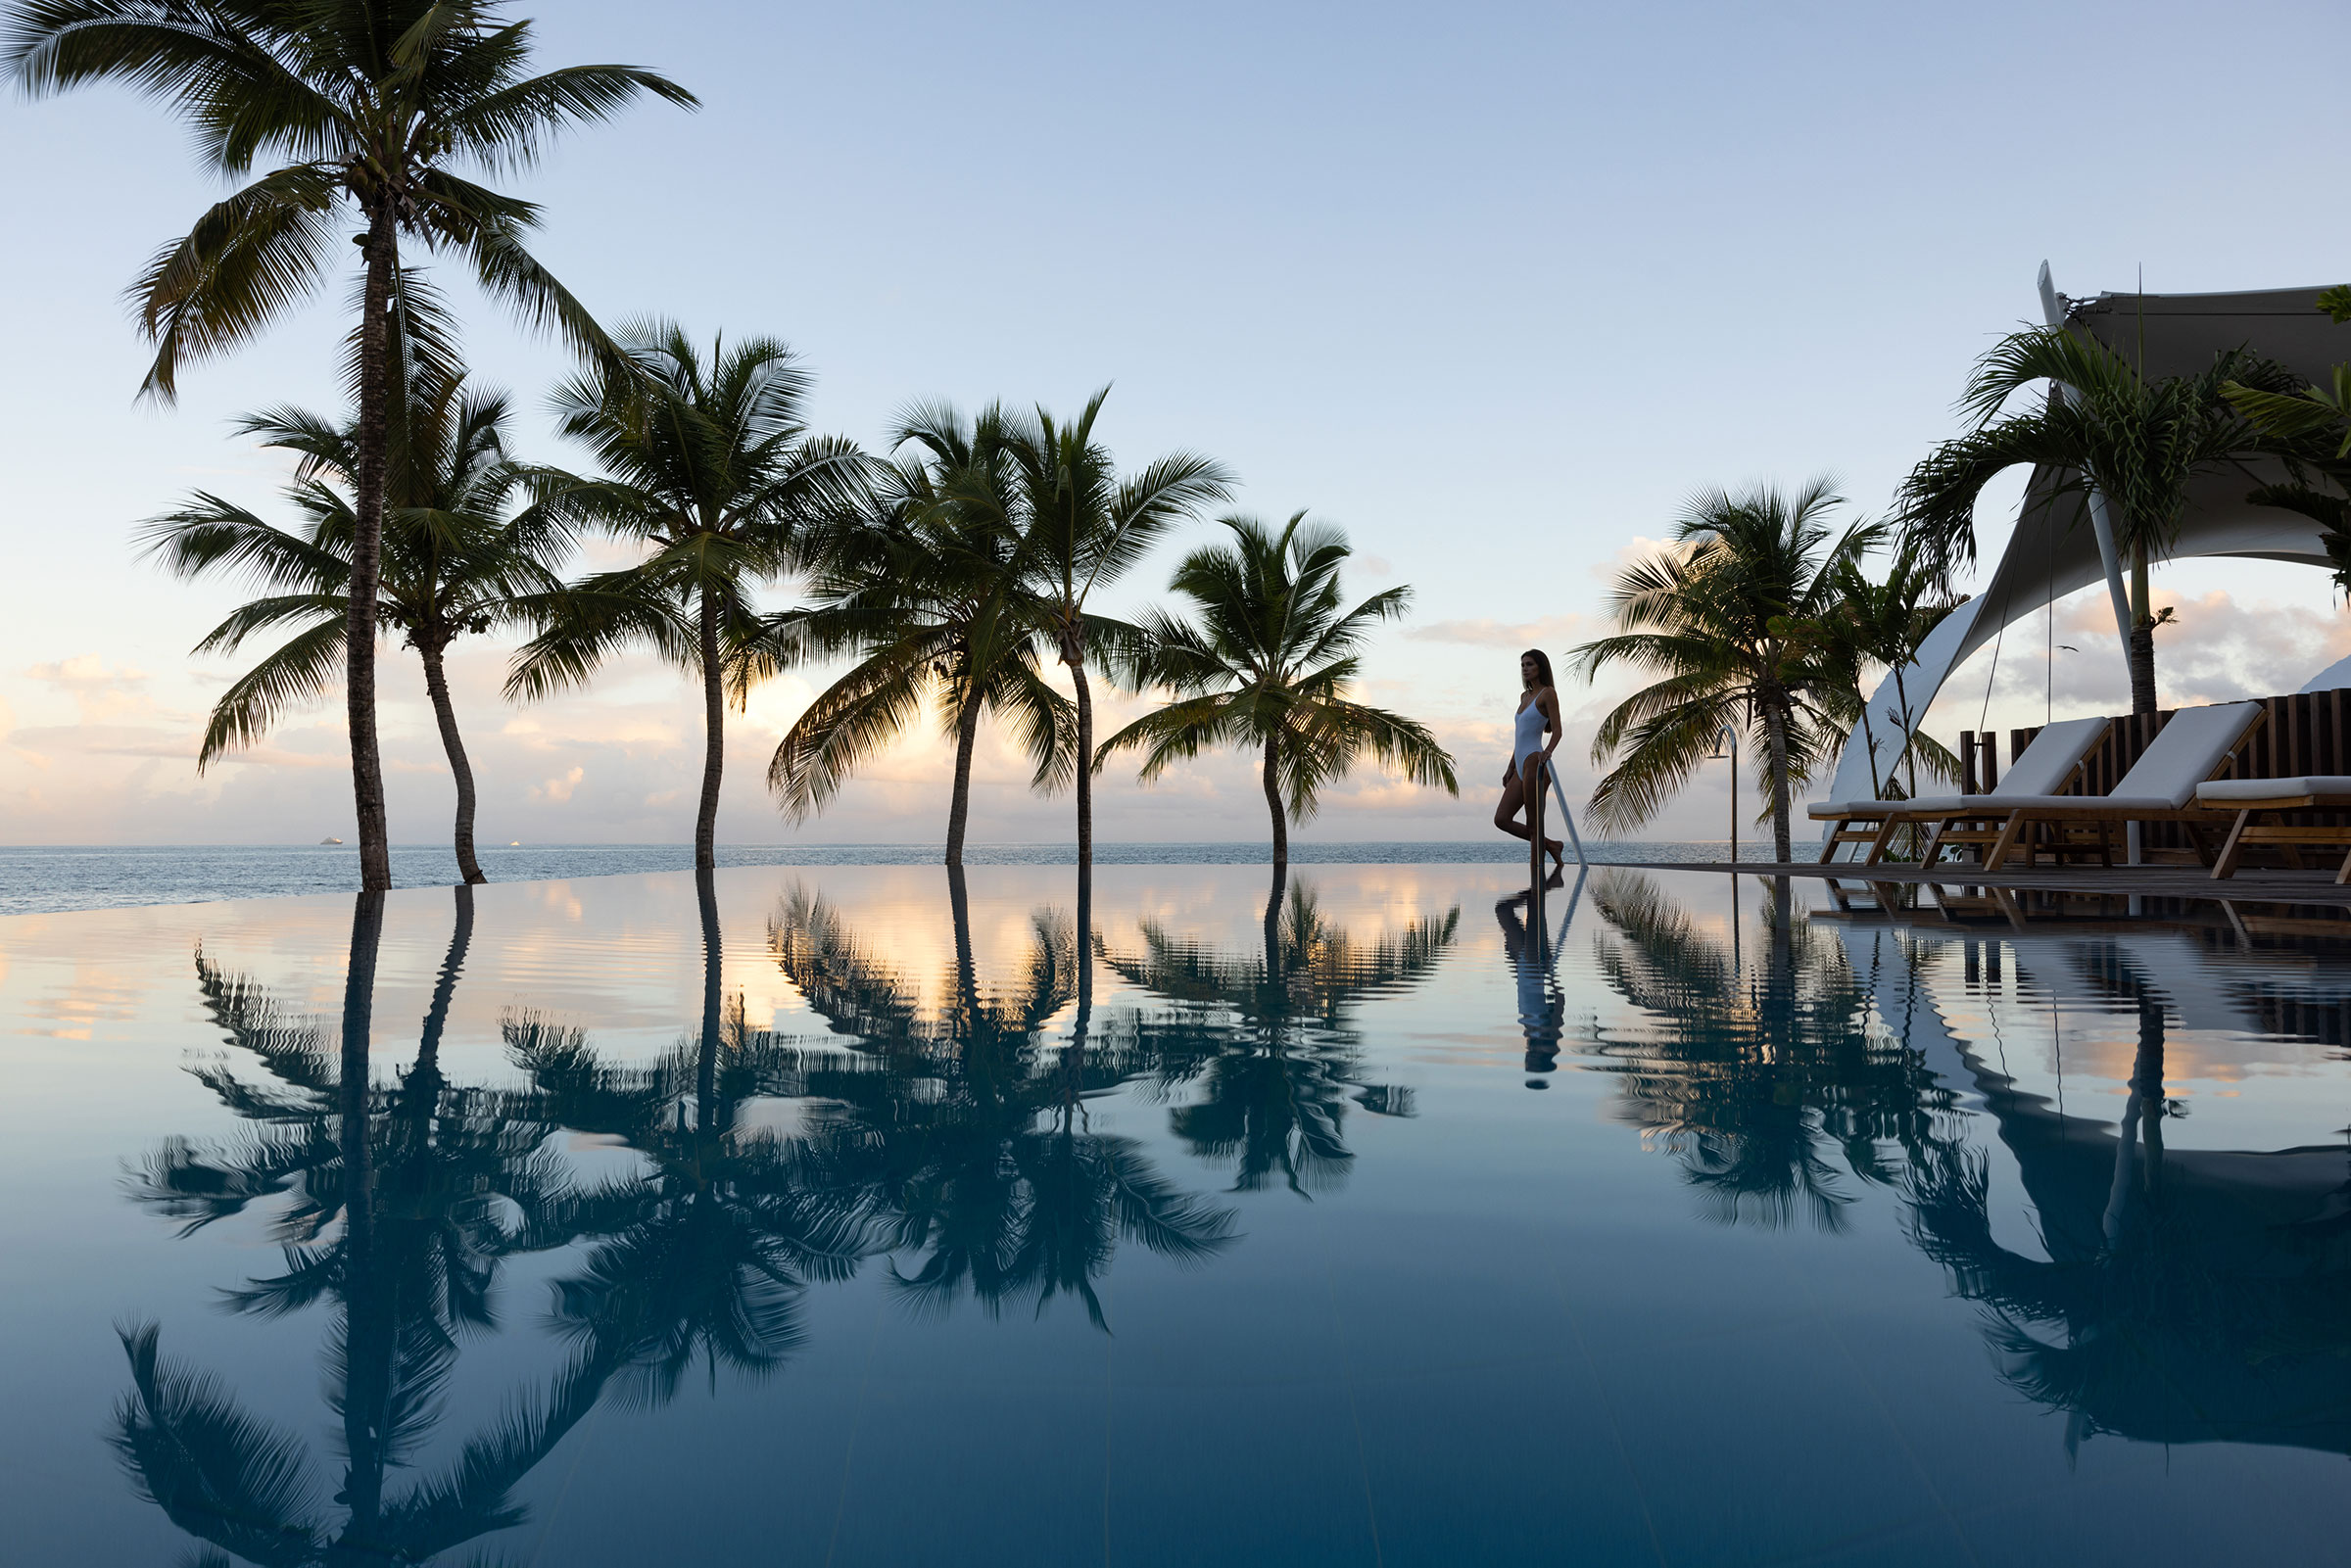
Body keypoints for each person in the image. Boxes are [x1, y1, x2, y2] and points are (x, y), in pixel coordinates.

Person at [1496, 649, 1566, 868]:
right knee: (1501, 819)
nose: (1525, 669)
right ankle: (1552, 845)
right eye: (1523, 665)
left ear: (1540, 668)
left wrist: (1549, 751)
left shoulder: (1548, 693)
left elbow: (1557, 730)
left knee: (1533, 824)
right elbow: (1520, 736)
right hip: (1519, 762)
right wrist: (1510, 767)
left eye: (1530, 664)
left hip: (1535, 762)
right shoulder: (1524, 697)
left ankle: (1536, 879)